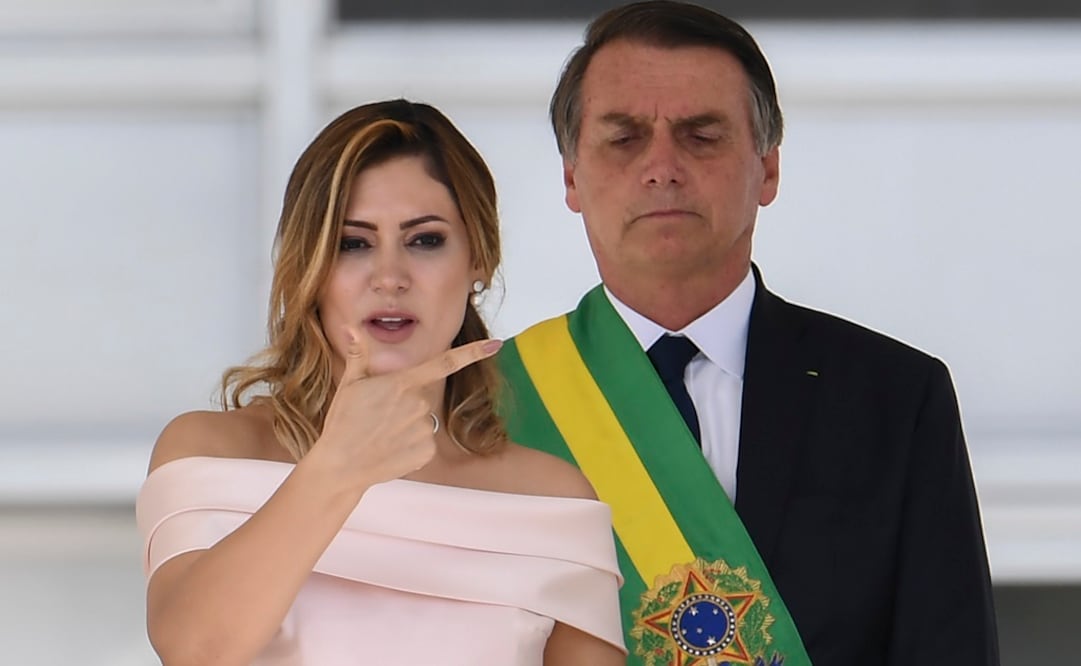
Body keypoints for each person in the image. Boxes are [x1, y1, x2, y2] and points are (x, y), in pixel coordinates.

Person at [499, 2, 1000, 665]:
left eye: (700, 136)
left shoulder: (893, 398)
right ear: (571, 176)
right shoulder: (488, 401)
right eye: (623, 139)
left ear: (766, 169)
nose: (661, 167)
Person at [135, 99, 627, 666]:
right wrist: (337, 468)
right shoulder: (211, 452)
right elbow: (193, 649)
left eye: (424, 240)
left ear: (479, 260)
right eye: (353, 243)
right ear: (309, 266)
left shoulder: (551, 500)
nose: (389, 278)